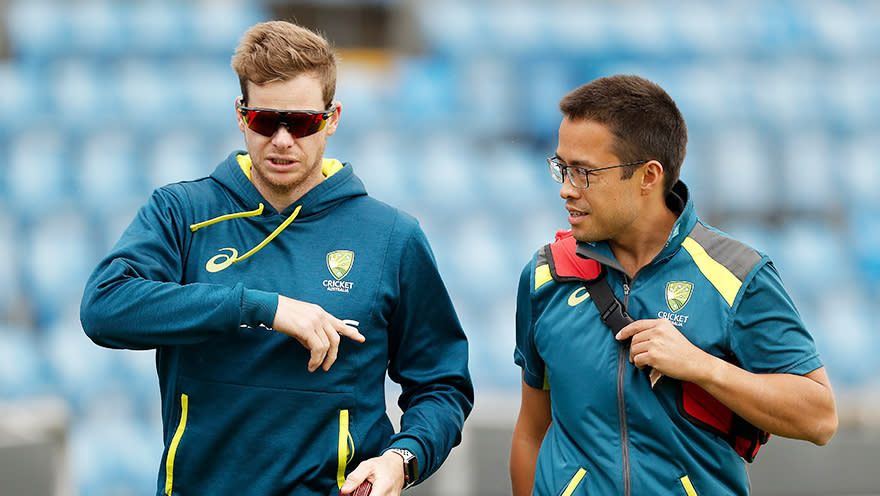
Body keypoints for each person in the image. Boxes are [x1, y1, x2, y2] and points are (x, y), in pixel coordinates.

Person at [80, 20, 473, 496]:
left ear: (331, 118)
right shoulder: (181, 212)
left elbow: (442, 384)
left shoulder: (392, 236)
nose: (283, 140)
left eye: (303, 122)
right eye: (266, 121)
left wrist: (401, 459)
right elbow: (104, 308)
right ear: (242, 116)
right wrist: (260, 308)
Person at [509, 75, 837, 496]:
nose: (566, 190)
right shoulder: (545, 276)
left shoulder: (737, 275)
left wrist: (703, 367)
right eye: (562, 168)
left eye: (584, 173)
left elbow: (820, 418)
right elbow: (532, 431)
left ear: (648, 176)